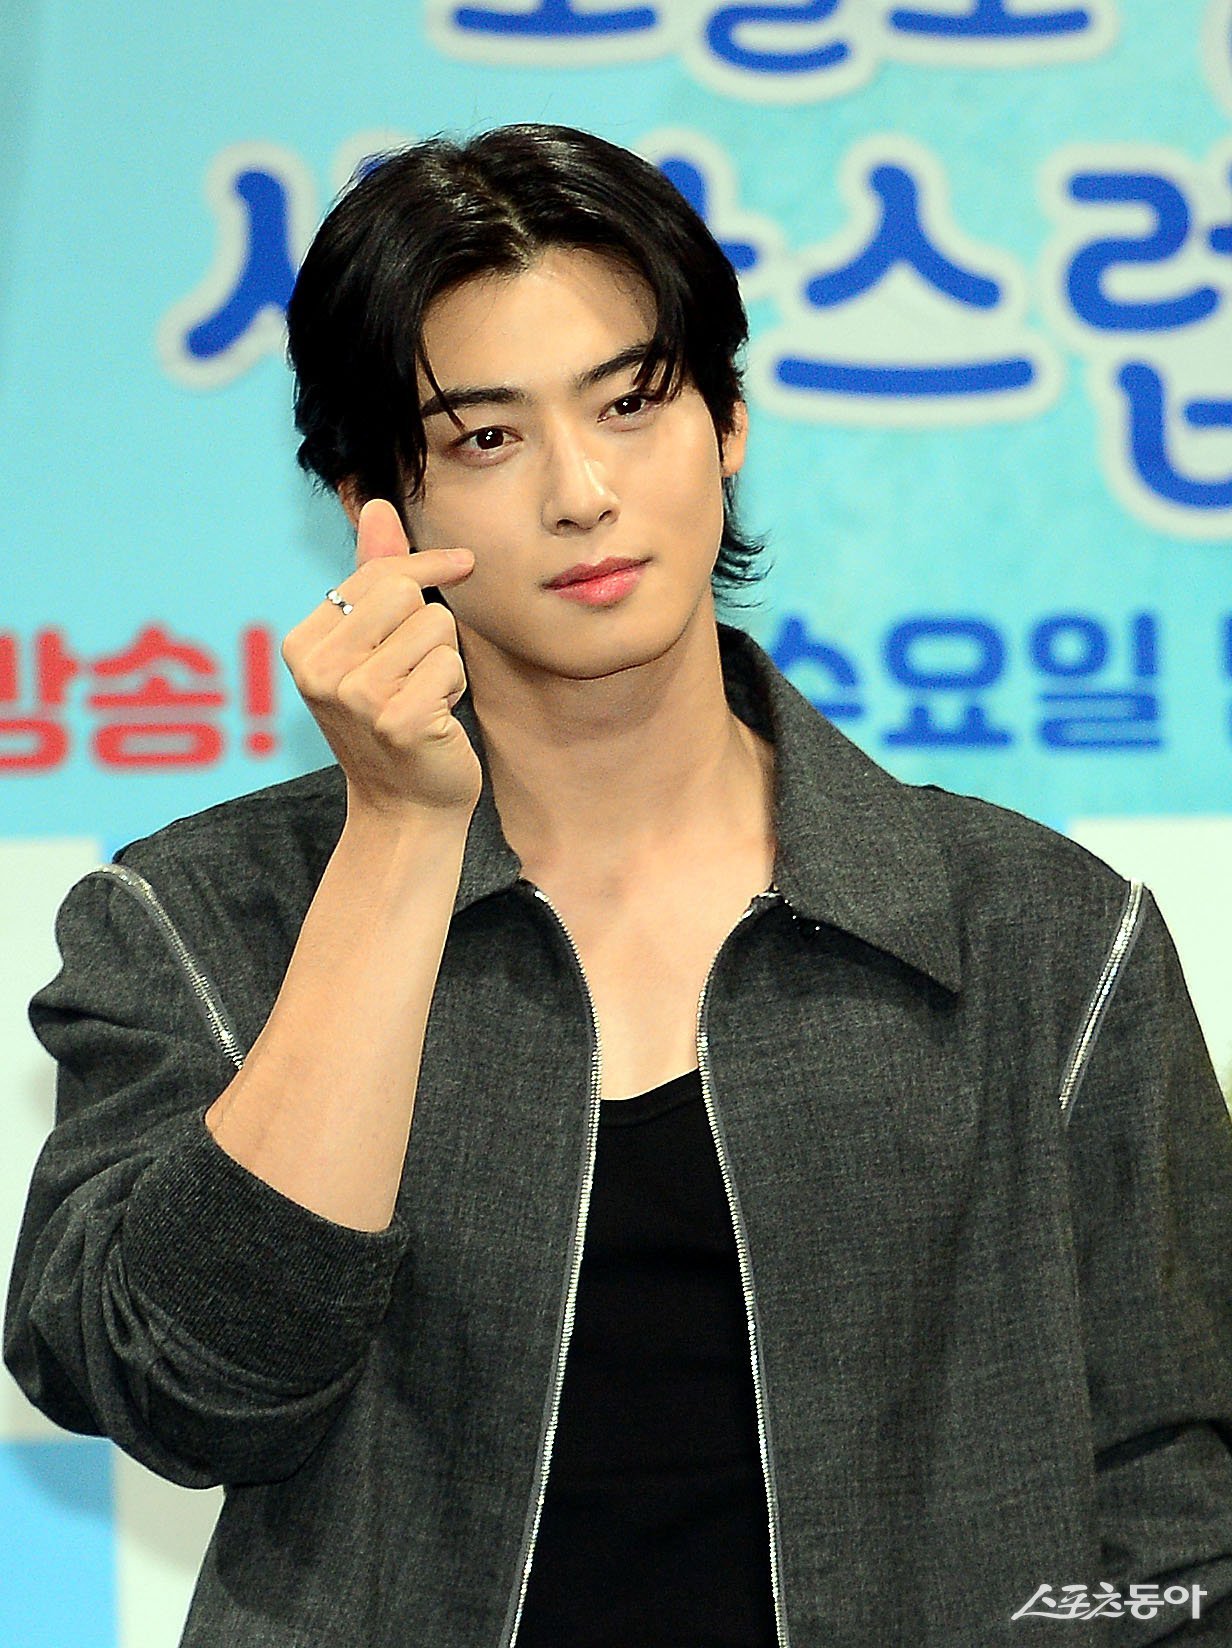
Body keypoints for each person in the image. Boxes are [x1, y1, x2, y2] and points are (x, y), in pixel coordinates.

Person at [6, 123, 1232, 1647]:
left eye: (632, 403)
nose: (582, 492)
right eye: (486, 439)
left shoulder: (1045, 938)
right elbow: (185, 1390)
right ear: (372, 499)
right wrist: (398, 839)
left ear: (727, 419)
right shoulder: (202, 924)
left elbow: (1181, 1519)